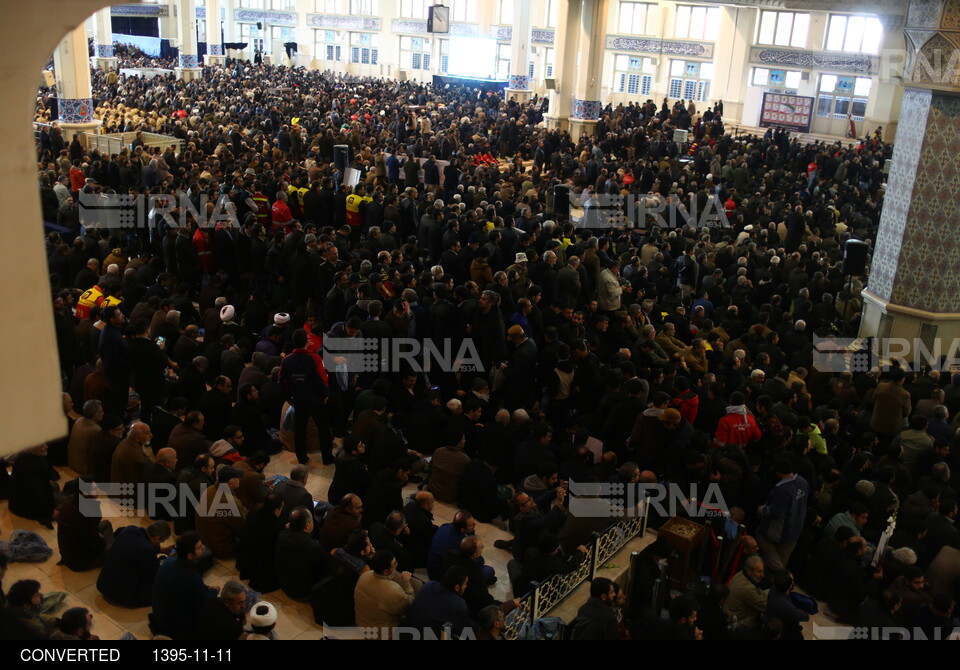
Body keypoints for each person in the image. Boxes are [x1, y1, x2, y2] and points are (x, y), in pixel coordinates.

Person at [151, 532, 219, 640]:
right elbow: (205, 599)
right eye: (199, 547)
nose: (203, 548)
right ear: (190, 555)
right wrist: (214, 591)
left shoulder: (168, 562)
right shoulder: (191, 576)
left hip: (160, 615)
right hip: (175, 625)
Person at [279, 328, 333, 464]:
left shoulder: (286, 360)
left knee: (300, 430)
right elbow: (322, 378)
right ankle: (327, 458)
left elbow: (282, 381)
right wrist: (325, 394)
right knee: (324, 429)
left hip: (298, 398)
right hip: (315, 399)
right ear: (307, 342)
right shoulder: (315, 358)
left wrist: (288, 397)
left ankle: (302, 458)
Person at [96, 520, 172, 608]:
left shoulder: (129, 530)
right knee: (165, 587)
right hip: (122, 596)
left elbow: (134, 547)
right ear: (157, 537)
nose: (159, 544)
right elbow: (153, 577)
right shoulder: (148, 550)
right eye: (161, 541)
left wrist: (161, 550)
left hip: (103, 584)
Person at [757, 458, 809, 571]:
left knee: (776, 565)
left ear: (778, 472)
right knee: (781, 562)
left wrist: (761, 510)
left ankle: (780, 577)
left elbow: (775, 511)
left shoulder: (782, 490)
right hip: (795, 530)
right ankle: (778, 583)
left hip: (779, 532)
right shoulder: (803, 482)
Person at [354, 550, 417, 636]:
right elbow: (409, 605)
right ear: (385, 572)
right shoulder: (392, 590)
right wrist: (406, 583)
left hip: (362, 626)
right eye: (394, 564)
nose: (396, 565)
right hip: (382, 634)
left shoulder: (364, 575)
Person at [276, 506, 329, 601]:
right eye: (312, 520)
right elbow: (323, 569)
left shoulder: (281, 536)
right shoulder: (314, 547)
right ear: (307, 525)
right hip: (303, 593)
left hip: (284, 585)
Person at [195, 466, 247, 559]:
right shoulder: (232, 503)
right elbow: (242, 529)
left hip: (205, 540)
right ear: (230, 484)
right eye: (237, 478)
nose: (239, 479)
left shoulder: (209, 489)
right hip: (223, 548)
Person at [237, 493, 285, 593]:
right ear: (276, 510)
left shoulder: (253, 513)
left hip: (247, 557)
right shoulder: (277, 525)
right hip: (263, 566)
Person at [725, 556, 768, 630]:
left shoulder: (741, 573)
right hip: (739, 623)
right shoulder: (748, 589)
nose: (762, 575)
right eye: (759, 572)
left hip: (731, 614)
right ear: (749, 571)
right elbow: (765, 606)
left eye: (762, 571)